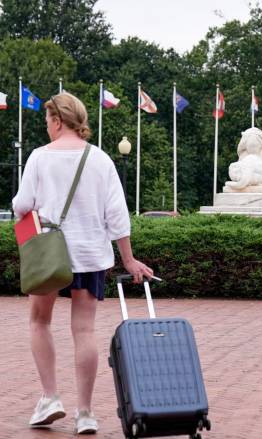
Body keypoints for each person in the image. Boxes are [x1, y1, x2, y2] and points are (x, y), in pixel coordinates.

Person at [12, 92, 153, 434]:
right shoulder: (101, 159)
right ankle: (85, 413)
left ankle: (50, 398)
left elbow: (22, 205)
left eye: (48, 121)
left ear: (57, 121)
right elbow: (117, 215)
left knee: (39, 321)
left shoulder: (39, 158)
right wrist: (129, 259)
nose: (47, 127)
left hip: (49, 255)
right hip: (90, 255)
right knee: (85, 330)